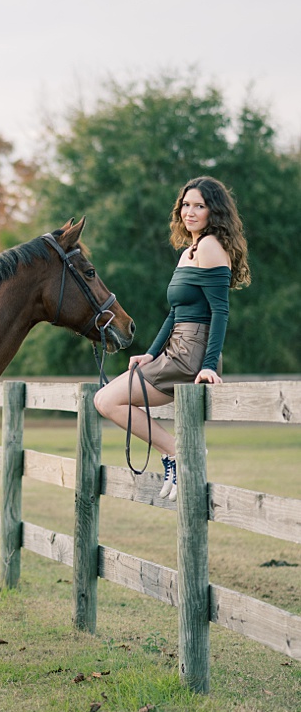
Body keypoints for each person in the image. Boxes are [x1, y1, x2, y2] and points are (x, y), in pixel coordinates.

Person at [93, 176, 250, 501]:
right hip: (173, 349)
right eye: (186, 205)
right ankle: (174, 453)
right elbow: (174, 313)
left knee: (107, 400)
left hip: (192, 354)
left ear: (214, 212)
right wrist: (150, 354)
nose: (189, 212)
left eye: (199, 206)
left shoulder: (209, 247)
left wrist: (208, 366)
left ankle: (177, 452)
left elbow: (220, 311)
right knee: (105, 399)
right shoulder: (188, 251)